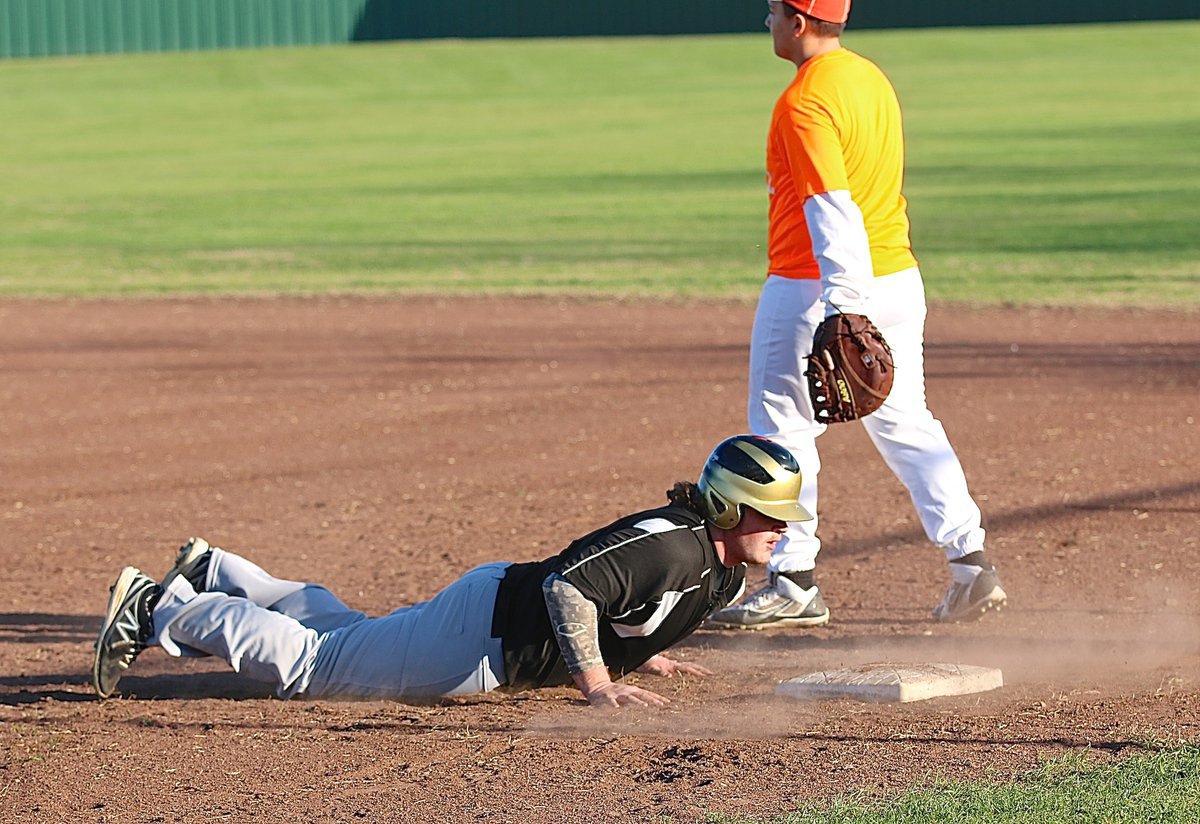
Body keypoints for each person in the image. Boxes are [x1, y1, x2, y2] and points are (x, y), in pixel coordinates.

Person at [93, 435, 810, 707]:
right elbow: (568, 585)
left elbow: (624, 601)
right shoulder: (672, 546)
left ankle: (219, 571)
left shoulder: (720, 569)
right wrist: (597, 683)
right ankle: (161, 608)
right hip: (480, 640)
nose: (782, 529)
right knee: (316, 667)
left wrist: (637, 653)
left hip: (485, 618)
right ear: (726, 507)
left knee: (348, 636)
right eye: (769, 515)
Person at [709, 0, 1006, 630]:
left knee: (783, 430)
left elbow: (831, 204)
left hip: (814, 284)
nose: (767, 21)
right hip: (897, 276)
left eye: (773, 11)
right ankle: (970, 563)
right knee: (909, 424)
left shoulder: (804, 100)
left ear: (798, 21)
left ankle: (793, 579)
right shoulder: (870, 77)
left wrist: (843, 306)